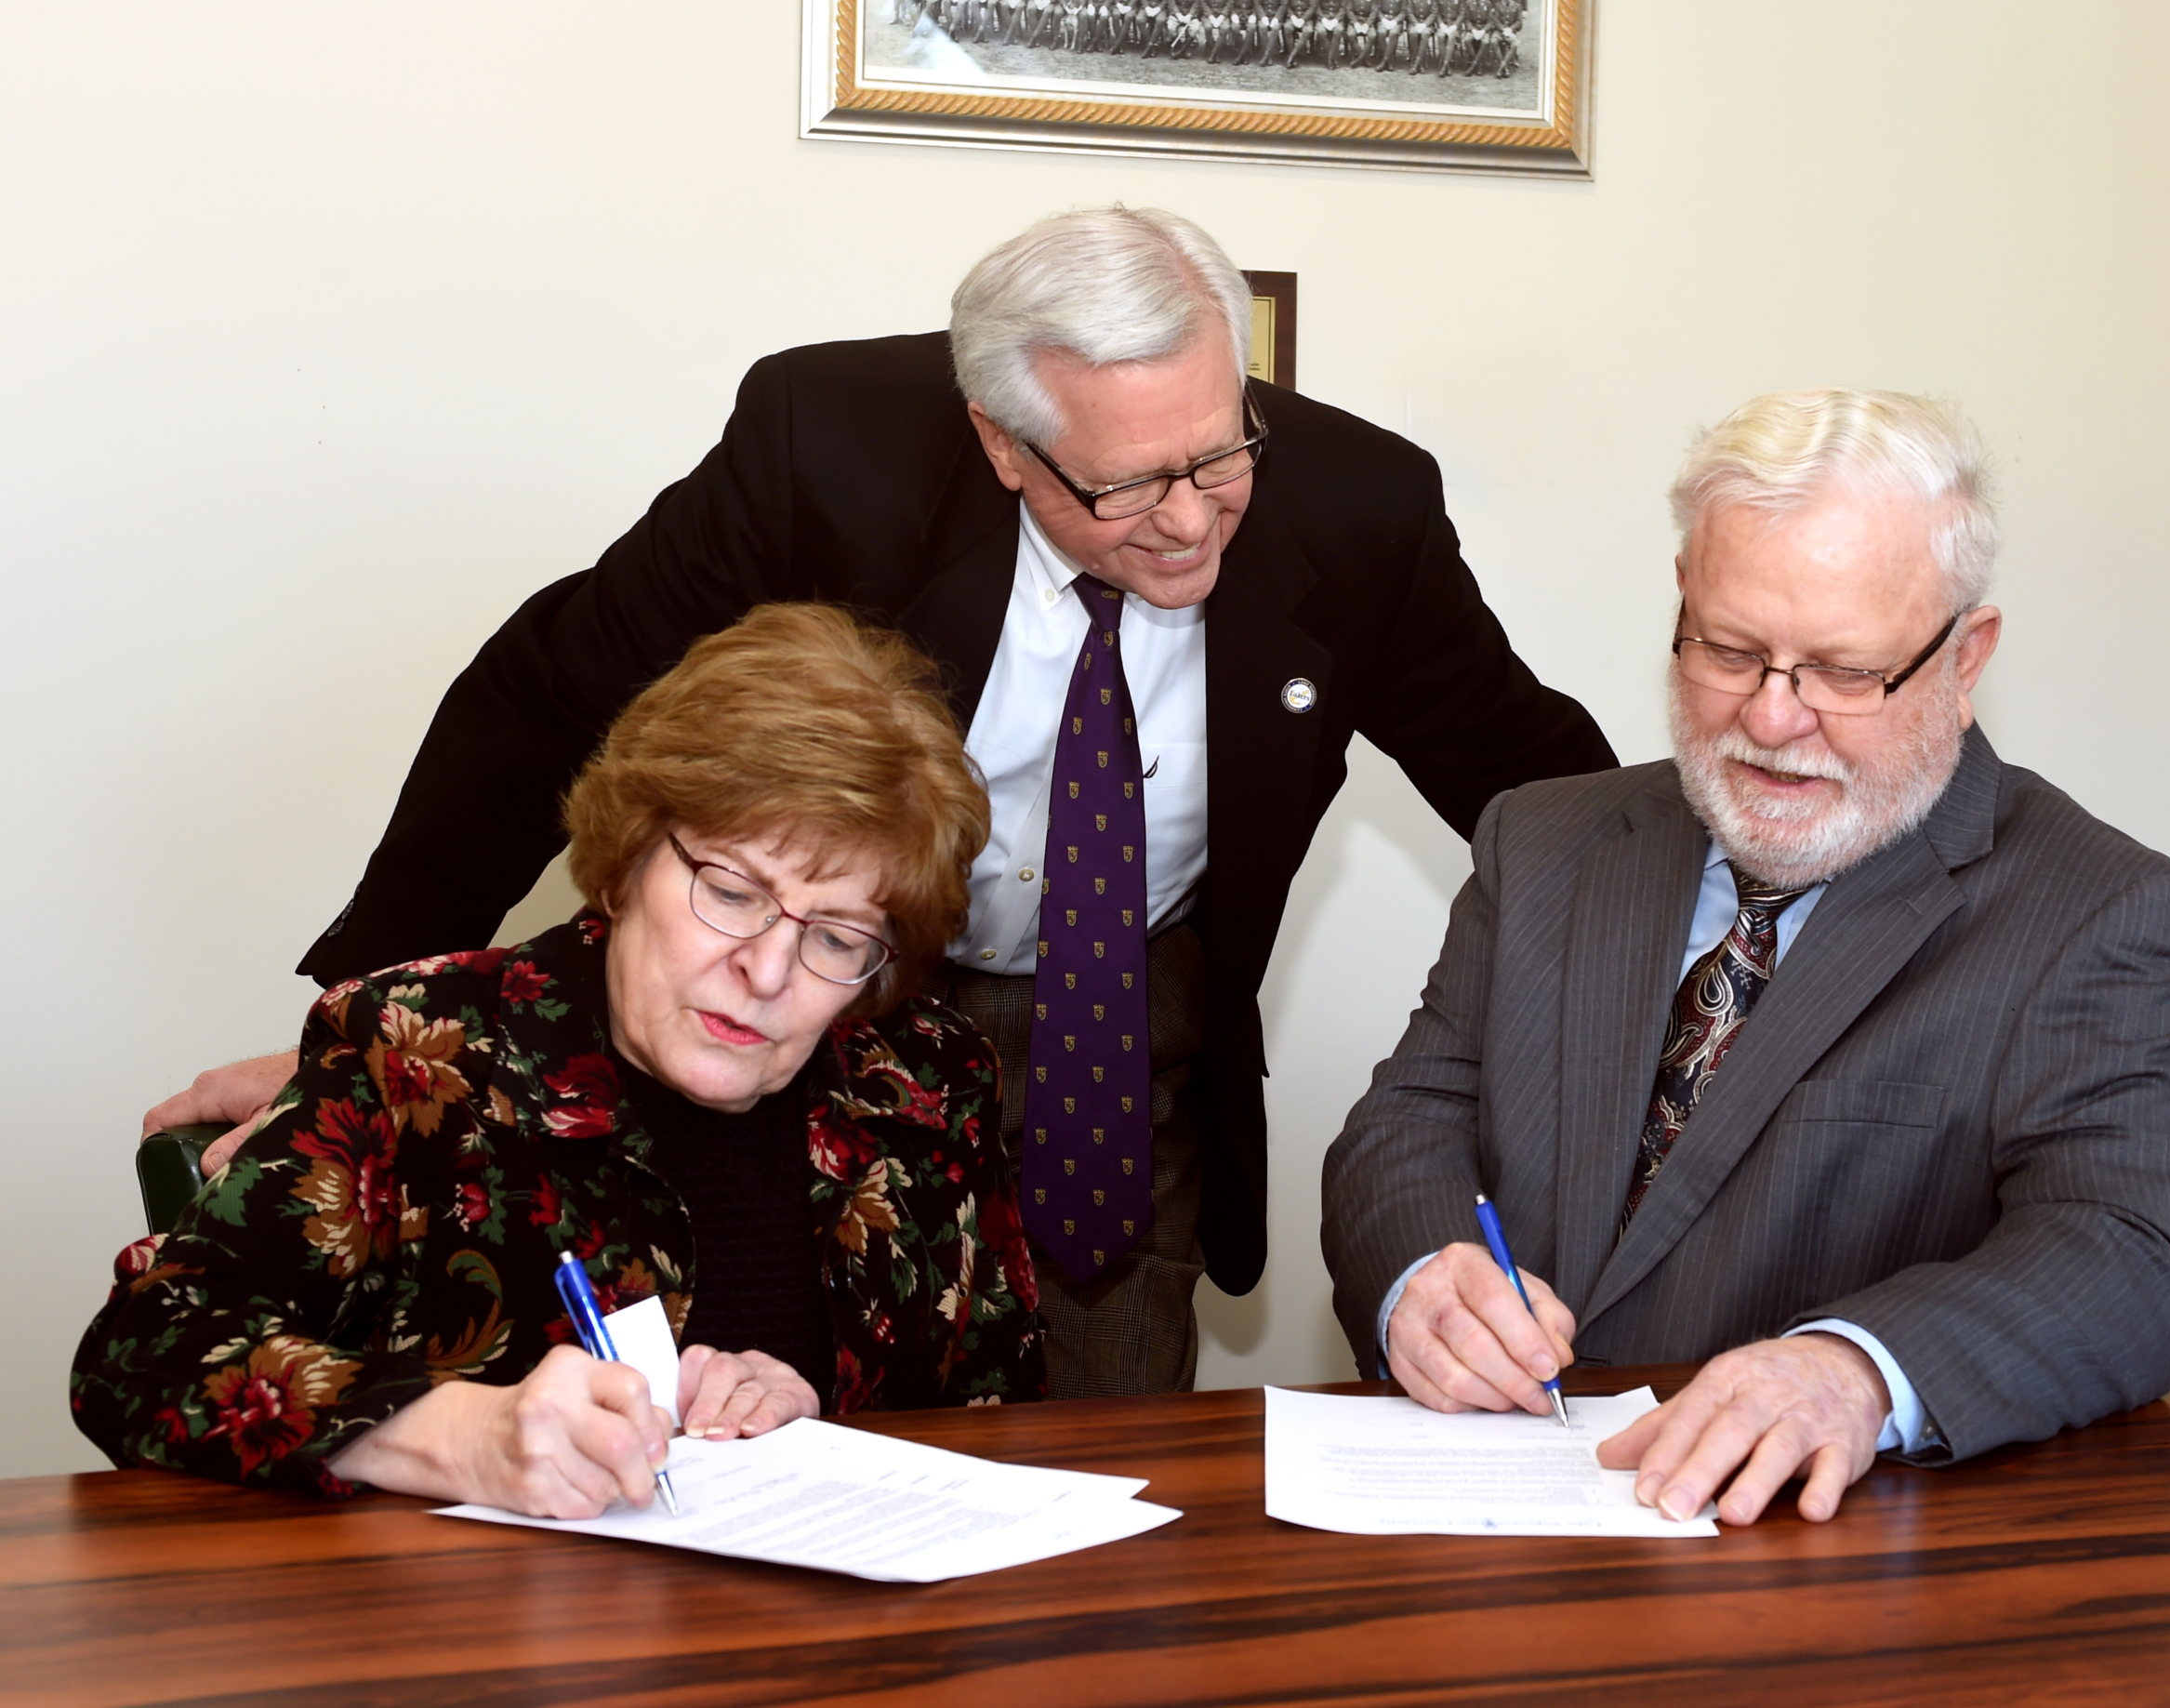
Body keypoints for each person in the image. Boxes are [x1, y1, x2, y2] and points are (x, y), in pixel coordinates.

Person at [145, 206, 1619, 1400]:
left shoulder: (1358, 504)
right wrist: (356, 1031)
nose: (1190, 519)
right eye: (1127, 485)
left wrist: (1708, 949)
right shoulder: (826, 445)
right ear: (1000, 440)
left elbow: (1524, 767)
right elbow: (550, 693)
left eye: (1219, 452)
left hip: (1118, 1013)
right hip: (830, 988)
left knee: (1104, 1437)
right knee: (764, 1376)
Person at [1320, 389, 2170, 1527]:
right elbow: (1408, 1123)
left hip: (1824, 1562)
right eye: (1730, 650)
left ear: (1964, 655)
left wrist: (1851, 1371)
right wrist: (1420, 1277)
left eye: (1844, 670)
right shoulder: (1542, 838)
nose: (1773, 717)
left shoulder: (2101, 911)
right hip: (1501, 1524)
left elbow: (2123, 1253)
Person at [76, 605, 1043, 1513]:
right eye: (733, 889)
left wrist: (807, 1426)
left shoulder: (923, 1079)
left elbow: (1005, 1422)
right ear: (627, 861)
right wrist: (462, 1434)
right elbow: (141, 1354)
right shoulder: (423, 1050)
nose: (766, 968)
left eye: (836, 935)